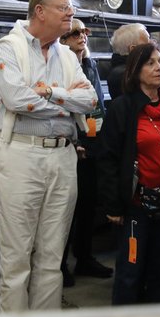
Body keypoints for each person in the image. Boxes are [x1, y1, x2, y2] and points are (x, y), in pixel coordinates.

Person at [0, 0, 97, 311]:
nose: (71, 12)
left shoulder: (67, 55)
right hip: (22, 154)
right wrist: (67, 103)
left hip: (63, 157)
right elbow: (17, 99)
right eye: (63, 7)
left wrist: (50, 93)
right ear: (40, 11)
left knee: (52, 257)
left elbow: (90, 100)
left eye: (71, 7)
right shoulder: (8, 49)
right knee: (16, 258)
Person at [99, 42, 160, 304]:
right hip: (137, 207)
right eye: (150, 63)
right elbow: (108, 159)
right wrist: (113, 205)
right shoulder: (123, 108)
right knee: (130, 271)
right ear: (135, 71)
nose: (159, 67)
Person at [59, 18, 113, 286]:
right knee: (67, 209)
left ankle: (84, 257)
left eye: (84, 32)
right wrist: (74, 139)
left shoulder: (89, 65)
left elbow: (97, 104)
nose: (82, 36)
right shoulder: (60, 67)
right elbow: (63, 106)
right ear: (63, 40)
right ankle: (59, 265)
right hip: (72, 145)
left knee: (89, 204)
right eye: (75, 33)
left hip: (93, 142)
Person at [107, 23, 150, 100]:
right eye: (147, 44)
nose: (152, 46)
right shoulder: (126, 76)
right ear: (133, 49)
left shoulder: (130, 70)